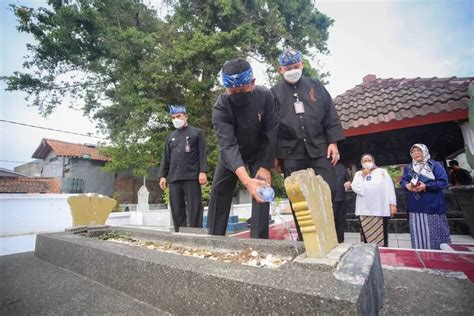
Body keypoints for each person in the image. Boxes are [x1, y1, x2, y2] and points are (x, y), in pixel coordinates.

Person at [271, 48, 345, 241]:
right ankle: (307, 241)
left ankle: (334, 237)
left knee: (331, 189)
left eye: (296, 66)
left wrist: (333, 142)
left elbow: (330, 114)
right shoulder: (275, 93)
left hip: (320, 147)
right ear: (280, 70)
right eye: (288, 68)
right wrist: (277, 155)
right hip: (291, 152)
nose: (292, 70)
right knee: (297, 196)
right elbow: (272, 127)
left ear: (302, 64)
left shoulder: (315, 85)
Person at [207, 58, 278, 239]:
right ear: (226, 88)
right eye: (233, 91)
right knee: (218, 191)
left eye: (242, 90)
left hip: (258, 151)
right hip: (232, 153)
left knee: (261, 189)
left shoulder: (265, 96)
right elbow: (228, 145)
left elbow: (271, 132)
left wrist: (265, 166)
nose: (238, 94)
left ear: (252, 83)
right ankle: (214, 239)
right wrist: (246, 181)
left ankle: (259, 241)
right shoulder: (221, 107)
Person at [158, 105, 208, 232]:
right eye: (173, 117)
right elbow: (166, 157)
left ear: (186, 117)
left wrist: (202, 171)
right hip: (174, 177)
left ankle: (195, 232)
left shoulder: (196, 133)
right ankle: (179, 233)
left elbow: (202, 154)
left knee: (194, 207)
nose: (176, 119)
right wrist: (163, 175)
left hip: (191, 176)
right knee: (176, 207)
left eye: (178, 116)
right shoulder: (170, 137)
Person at [400, 144, 451, 249]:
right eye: (413, 151)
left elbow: (443, 182)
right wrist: (407, 185)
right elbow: (403, 180)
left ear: (425, 151)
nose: (416, 153)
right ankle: (420, 254)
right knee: (418, 233)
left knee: (436, 232)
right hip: (415, 205)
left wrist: (426, 186)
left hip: (432, 204)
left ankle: (440, 256)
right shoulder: (409, 167)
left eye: (419, 150)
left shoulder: (434, 165)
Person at [350, 154, 397, 247]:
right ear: (361, 163)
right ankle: (368, 254)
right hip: (364, 209)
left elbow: (390, 189)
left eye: (369, 160)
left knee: (381, 236)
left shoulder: (382, 172)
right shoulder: (358, 174)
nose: (367, 163)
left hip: (380, 208)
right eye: (365, 161)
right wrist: (362, 176)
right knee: (367, 236)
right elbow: (355, 188)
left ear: (373, 161)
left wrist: (393, 204)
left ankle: (382, 254)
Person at [333, 162, 351, 243]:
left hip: (341, 198)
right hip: (329, 199)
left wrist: (349, 183)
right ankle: (331, 241)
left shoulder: (341, 166)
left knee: (340, 221)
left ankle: (340, 241)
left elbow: (348, 179)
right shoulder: (324, 166)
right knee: (331, 222)